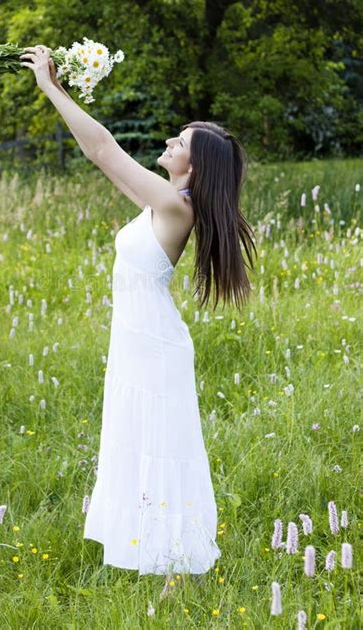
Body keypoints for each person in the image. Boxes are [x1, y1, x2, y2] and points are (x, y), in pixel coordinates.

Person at [20, 45, 257, 587]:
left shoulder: (178, 205)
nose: (170, 142)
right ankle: (165, 562)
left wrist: (53, 90)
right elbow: (99, 157)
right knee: (142, 443)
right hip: (137, 344)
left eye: (180, 142)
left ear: (193, 164)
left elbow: (104, 148)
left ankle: (180, 570)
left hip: (154, 348)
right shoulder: (162, 199)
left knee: (164, 448)